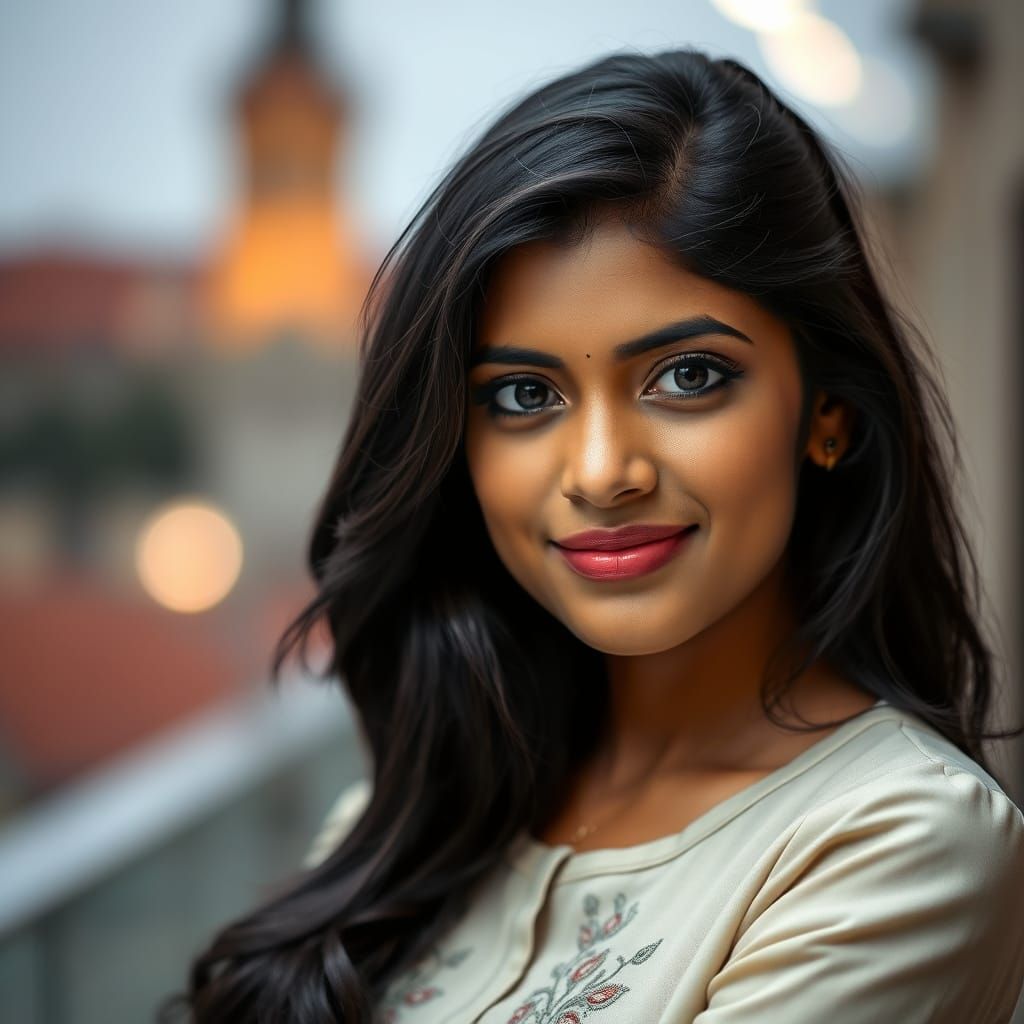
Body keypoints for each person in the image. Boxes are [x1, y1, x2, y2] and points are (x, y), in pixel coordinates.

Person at [162, 48, 1024, 1022]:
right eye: (525, 396)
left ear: (826, 411)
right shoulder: (402, 822)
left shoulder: (898, 844)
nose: (603, 470)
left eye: (688, 376)